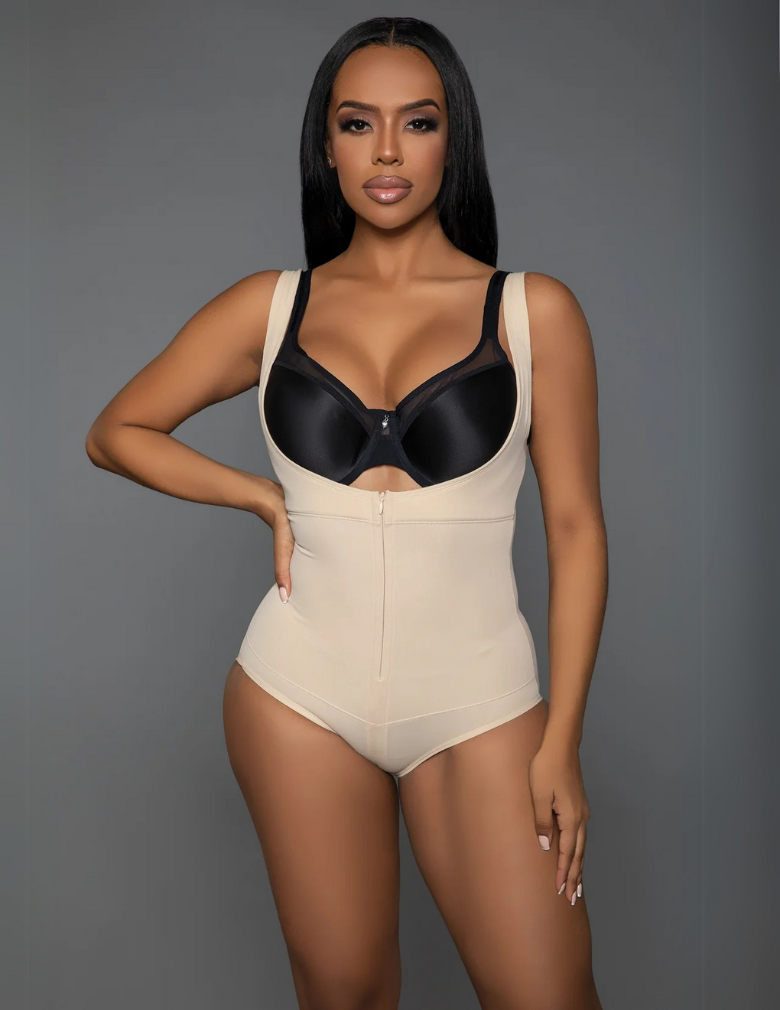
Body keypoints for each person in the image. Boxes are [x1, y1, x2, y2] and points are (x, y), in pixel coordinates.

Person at [86, 16, 607, 1010]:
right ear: (326, 145)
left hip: (479, 700)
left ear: (453, 141)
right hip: (298, 691)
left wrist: (562, 741)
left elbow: (577, 528)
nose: (387, 151)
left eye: (419, 122)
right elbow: (117, 431)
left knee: (549, 994)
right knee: (347, 997)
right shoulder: (271, 306)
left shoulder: (533, 312)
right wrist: (257, 495)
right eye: (358, 123)